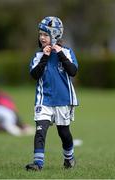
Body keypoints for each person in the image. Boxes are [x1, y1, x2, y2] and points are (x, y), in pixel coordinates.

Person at [25, 16, 78, 171]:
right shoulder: (38, 56)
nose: (42, 37)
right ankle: (38, 164)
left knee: (64, 133)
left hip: (63, 100)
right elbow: (34, 75)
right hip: (44, 100)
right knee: (40, 131)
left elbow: (73, 71)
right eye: (40, 34)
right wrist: (45, 57)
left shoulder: (67, 52)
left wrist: (59, 53)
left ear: (55, 35)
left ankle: (69, 158)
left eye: (46, 34)